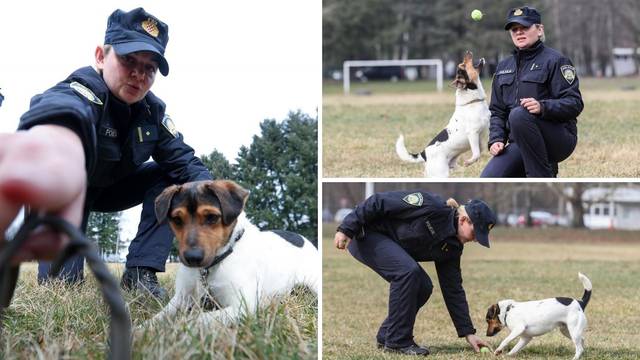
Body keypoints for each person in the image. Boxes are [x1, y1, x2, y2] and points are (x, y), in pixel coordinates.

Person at [0, 8, 212, 299]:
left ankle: (140, 271)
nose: (139, 74)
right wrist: (56, 141)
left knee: (171, 177)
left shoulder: (152, 112)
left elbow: (186, 163)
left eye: (150, 68)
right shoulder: (83, 90)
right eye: (128, 60)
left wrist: (218, 200)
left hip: (111, 188)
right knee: (62, 288)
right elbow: (62, 108)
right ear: (101, 57)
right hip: (67, 189)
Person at [334, 190, 495, 356]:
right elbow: (378, 201)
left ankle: (387, 335)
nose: (475, 240)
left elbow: (453, 289)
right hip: (364, 234)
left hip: (385, 242)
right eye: (476, 233)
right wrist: (347, 228)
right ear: (463, 220)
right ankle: (398, 342)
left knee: (423, 286)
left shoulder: (452, 248)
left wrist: (469, 333)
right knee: (408, 272)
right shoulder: (431, 206)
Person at [481, 6, 583, 178]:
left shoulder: (556, 60)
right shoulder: (503, 67)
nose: (519, 33)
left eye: (525, 27)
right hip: (518, 141)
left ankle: (542, 175)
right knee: (489, 178)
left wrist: (543, 107)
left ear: (539, 29)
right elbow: (497, 111)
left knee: (519, 114)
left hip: (558, 138)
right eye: (514, 30)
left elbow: (574, 103)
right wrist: (496, 139)